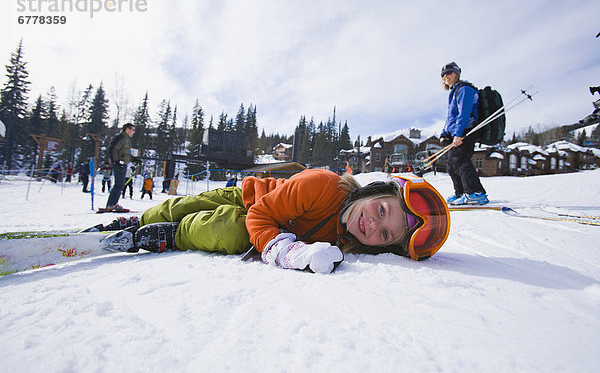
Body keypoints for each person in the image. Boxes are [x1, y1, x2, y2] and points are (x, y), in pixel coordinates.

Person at [94, 169, 451, 274]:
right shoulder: (323, 185)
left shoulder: (352, 241)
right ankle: (139, 219)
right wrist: (285, 250)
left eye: (386, 234)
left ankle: (171, 236)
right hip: (252, 200)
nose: (373, 225)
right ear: (371, 193)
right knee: (185, 205)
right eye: (382, 210)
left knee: (228, 231)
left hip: (255, 223)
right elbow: (262, 214)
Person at [439, 62, 488, 205]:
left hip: (467, 130)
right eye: (443, 75)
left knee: (460, 161)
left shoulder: (465, 89)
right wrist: (444, 133)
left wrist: (458, 134)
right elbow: (451, 117)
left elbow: (464, 114)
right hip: (456, 132)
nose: (445, 76)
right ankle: (460, 192)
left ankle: (475, 192)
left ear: (456, 74)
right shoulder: (454, 91)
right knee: (451, 164)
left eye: (449, 73)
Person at [105, 123, 136, 211]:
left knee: (120, 184)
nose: (134, 132)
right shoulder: (121, 138)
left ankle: (113, 203)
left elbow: (125, 153)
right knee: (119, 184)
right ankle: (111, 204)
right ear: (127, 129)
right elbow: (113, 149)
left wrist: (134, 159)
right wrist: (116, 161)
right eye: (133, 130)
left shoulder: (126, 139)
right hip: (119, 164)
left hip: (123, 163)